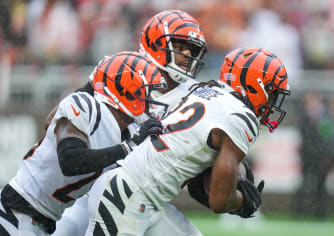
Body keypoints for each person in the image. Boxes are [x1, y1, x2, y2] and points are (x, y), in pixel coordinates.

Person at [84, 47, 291, 236]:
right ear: (256, 86)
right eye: (272, 95)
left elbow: (196, 185)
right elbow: (219, 201)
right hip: (129, 194)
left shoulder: (205, 92)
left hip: (139, 194)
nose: (272, 104)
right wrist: (242, 202)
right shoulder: (240, 117)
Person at [53, 9, 209, 235]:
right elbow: (69, 111)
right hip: (93, 188)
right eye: (179, 46)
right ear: (155, 44)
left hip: (147, 195)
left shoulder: (194, 96)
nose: (187, 54)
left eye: (192, 49)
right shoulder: (121, 70)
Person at [0, 52, 167, 235]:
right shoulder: (86, 105)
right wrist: (127, 148)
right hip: (15, 211)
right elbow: (70, 160)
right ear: (127, 91)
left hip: (41, 221)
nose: (150, 100)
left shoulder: (127, 133)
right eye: (145, 92)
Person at [294, 90, 334, 218]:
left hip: (321, 158)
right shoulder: (304, 117)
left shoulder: (325, 117)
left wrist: (326, 156)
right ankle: (300, 212)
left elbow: (328, 138)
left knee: (321, 186)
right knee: (304, 185)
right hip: (307, 157)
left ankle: (320, 213)